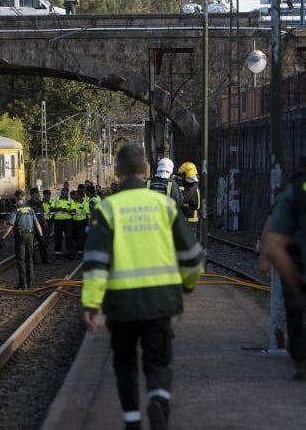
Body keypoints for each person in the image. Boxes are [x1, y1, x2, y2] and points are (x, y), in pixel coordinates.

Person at [82, 144, 204, 430]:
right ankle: (159, 400)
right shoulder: (165, 207)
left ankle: (132, 421)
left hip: (120, 305)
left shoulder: (107, 208)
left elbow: (96, 262)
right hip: (162, 300)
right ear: (146, 170)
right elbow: (192, 257)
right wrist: (186, 286)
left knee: (125, 362)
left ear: (116, 172)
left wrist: (91, 304)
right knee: (158, 361)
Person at [262, 164, 306, 380]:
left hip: (294, 260)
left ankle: (299, 360)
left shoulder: (291, 192)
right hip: (294, 258)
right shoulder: (292, 193)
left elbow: (271, 227)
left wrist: (267, 256)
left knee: (294, 310)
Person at [1, 189, 43, 290]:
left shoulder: (16, 210)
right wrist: (41, 236)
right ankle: (30, 283)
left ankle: (23, 284)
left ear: (15, 198)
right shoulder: (30, 209)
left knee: (21, 260)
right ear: (24, 198)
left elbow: (10, 225)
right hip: (30, 235)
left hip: (20, 236)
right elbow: (37, 223)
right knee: (29, 259)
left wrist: (3, 237)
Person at [176, 162, 201, 235]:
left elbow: (182, 198)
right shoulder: (190, 187)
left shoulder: (192, 188)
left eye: (182, 175)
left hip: (189, 220)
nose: (180, 178)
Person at [28, 187, 50, 264]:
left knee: (42, 242)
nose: (38, 194)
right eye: (36, 193)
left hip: (41, 224)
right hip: (32, 225)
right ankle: (33, 261)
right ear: (32, 194)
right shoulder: (29, 204)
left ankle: (44, 259)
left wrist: (45, 222)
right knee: (31, 244)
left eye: (38, 193)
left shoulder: (40, 203)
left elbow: (43, 213)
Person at [51, 187, 74, 259]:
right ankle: (58, 254)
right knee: (58, 237)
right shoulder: (56, 200)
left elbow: (74, 210)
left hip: (68, 221)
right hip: (58, 221)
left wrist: (66, 210)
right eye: (63, 193)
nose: (64, 194)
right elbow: (51, 209)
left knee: (69, 237)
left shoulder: (70, 200)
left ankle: (69, 253)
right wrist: (59, 209)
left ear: (67, 193)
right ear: (61, 193)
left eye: (66, 193)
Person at [71, 188, 88, 257]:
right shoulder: (73, 202)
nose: (75, 196)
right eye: (74, 195)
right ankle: (75, 252)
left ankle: (80, 253)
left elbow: (87, 214)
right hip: (74, 222)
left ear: (80, 196)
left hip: (82, 223)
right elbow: (72, 210)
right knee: (74, 238)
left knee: (81, 238)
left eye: (76, 195)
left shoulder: (85, 203)